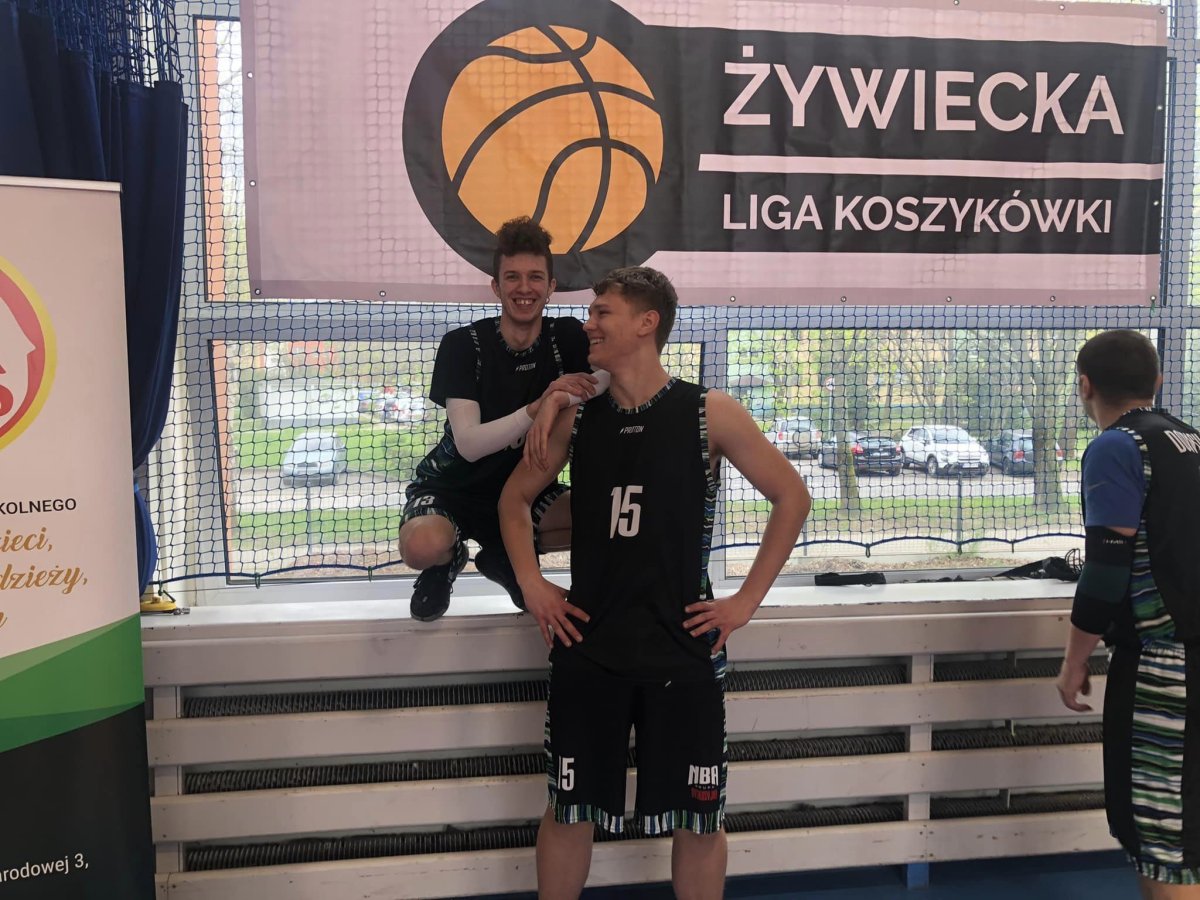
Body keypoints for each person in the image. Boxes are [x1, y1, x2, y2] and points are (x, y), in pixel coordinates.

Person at [499, 266, 811, 900]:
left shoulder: (709, 412)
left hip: (682, 649)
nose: (589, 323)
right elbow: (513, 501)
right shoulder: (577, 418)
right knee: (569, 809)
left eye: (602, 313)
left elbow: (792, 497)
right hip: (590, 647)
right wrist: (532, 584)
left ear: (647, 323)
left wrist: (744, 603)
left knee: (699, 818)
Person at [399, 217, 608, 622]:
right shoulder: (463, 345)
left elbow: (610, 376)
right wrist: (537, 407)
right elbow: (469, 445)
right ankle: (447, 560)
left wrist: (559, 398)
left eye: (535, 277)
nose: (524, 288)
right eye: (512, 277)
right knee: (422, 546)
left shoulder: (566, 337)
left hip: (524, 491)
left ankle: (503, 557)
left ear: (551, 286)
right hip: (453, 489)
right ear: (496, 287)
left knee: (604, 517)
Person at [1056, 329, 1200, 898]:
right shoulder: (1190, 439)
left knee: (1161, 831)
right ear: (1157, 382)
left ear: (1084, 386)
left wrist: (1075, 660)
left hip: (1166, 666)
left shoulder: (1118, 446)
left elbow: (1106, 569)